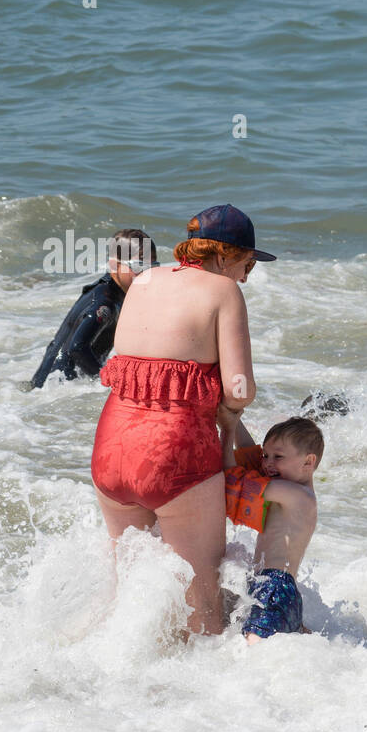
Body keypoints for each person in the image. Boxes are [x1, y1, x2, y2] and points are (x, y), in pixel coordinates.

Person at [91, 204, 275, 636]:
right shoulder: (224, 291)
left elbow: (132, 359)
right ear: (225, 254)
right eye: (247, 263)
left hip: (112, 448)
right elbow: (239, 389)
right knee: (204, 609)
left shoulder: (144, 281)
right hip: (175, 455)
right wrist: (229, 417)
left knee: (129, 596)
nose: (247, 275)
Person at [219, 411, 322, 642]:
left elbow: (233, 479)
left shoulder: (297, 495)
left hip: (275, 587)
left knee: (254, 649)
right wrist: (233, 419)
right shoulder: (287, 485)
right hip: (271, 586)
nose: (267, 463)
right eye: (266, 455)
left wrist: (226, 432)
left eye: (278, 457)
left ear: (308, 461)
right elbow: (250, 454)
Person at [29, 229, 157, 388]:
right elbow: (77, 348)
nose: (145, 273)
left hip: (50, 385)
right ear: (115, 265)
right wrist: (111, 382)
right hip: (56, 387)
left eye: (152, 266)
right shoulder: (104, 302)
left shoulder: (115, 291)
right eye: (139, 266)